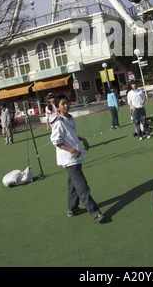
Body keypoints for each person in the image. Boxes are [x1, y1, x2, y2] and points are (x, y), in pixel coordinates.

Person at [50, 94, 105, 223]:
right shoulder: (58, 122)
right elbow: (55, 141)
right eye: (63, 104)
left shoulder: (70, 118)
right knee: (82, 186)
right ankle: (95, 212)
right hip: (70, 159)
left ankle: (72, 209)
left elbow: (71, 135)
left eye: (67, 103)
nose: (66, 105)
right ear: (58, 107)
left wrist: (82, 139)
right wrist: (71, 150)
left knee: (73, 184)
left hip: (76, 156)